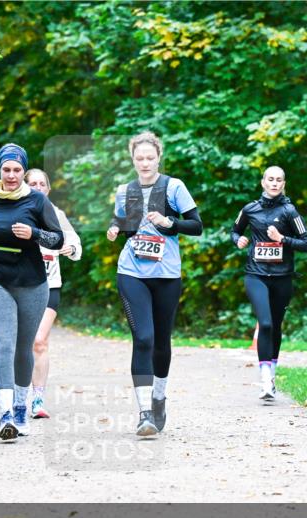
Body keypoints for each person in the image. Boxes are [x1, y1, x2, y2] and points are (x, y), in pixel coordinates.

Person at [107, 131, 203, 436]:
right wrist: (114, 228)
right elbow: (122, 222)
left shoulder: (173, 187)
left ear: (158, 157)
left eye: (150, 157)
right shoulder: (126, 190)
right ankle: (145, 412)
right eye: (140, 158)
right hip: (131, 271)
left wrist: (169, 223)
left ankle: (159, 396)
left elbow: (197, 226)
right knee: (144, 338)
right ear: (132, 159)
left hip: (166, 274)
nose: (145, 162)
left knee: (162, 341)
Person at [0, 143, 65, 440]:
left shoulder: (37, 201)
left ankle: (22, 408)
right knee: (4, 345)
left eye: (17, 170)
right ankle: (5, 414)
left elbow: (57, 239)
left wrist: (33, 234)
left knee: (24, 347)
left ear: (24, 171)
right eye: (6, 170)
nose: (11, 175)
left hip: (32, 282)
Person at [231, 165, 307, 401]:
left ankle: (272, 375)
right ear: (263, 182)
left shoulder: (290, 212)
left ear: (283, 184)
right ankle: (265, 380)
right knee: (264, 323)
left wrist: (282, 239)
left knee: (275, 326)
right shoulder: (250, 209)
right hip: (255, 275)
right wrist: (239, 240)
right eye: (270, 179)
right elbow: (234, 231)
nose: (274, 183)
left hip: (283, 277)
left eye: (279, 180)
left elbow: (306, 243)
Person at [23, 168, 82, 419]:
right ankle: (15, 396)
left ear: (48, 189)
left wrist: (70, 248)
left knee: (39, 341)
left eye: (42, 184)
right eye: (32, 183)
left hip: (50, 286)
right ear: (25, 187)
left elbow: (76, 246)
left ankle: (37, 399)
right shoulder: (17, 211)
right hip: (21, 286)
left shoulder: (56, 214)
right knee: (20, 344)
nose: (37, 187)